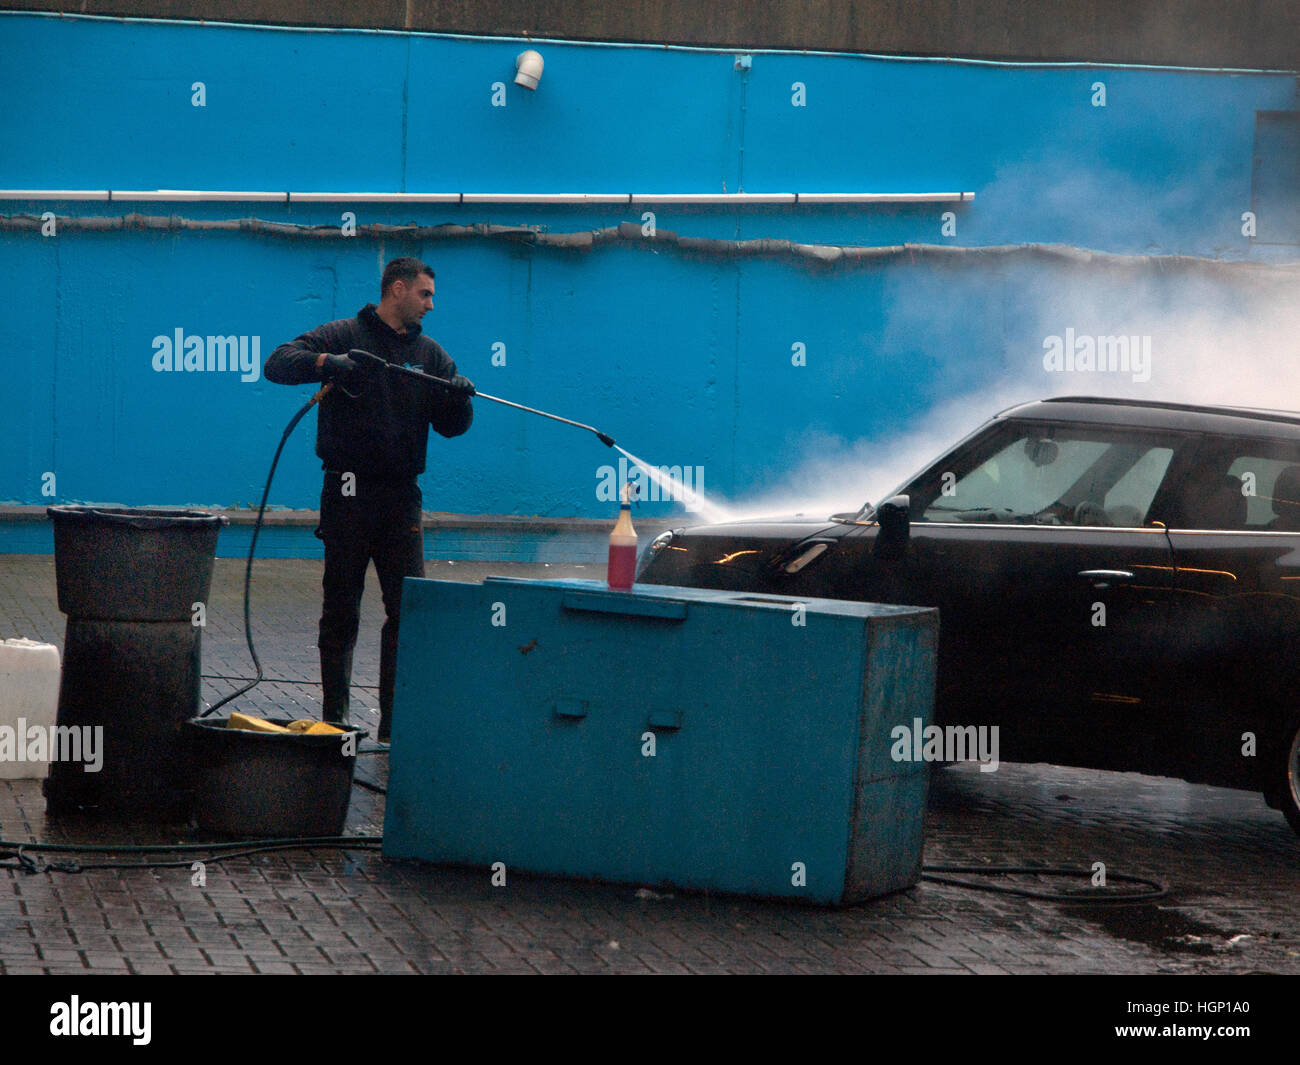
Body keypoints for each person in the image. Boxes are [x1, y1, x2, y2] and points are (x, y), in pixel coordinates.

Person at [264, 257, 474, 742]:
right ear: (397, 289)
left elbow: (451, 427)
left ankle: (394, 728)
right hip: (347, 492)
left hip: (401, 499)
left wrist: (460, 399)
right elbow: (277, 362)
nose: (431, 304)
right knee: (341, 608)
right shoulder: (342, 335)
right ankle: (335, 719)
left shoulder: (430, 355)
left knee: (407, 612)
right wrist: (325, 364)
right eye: (424, 294)